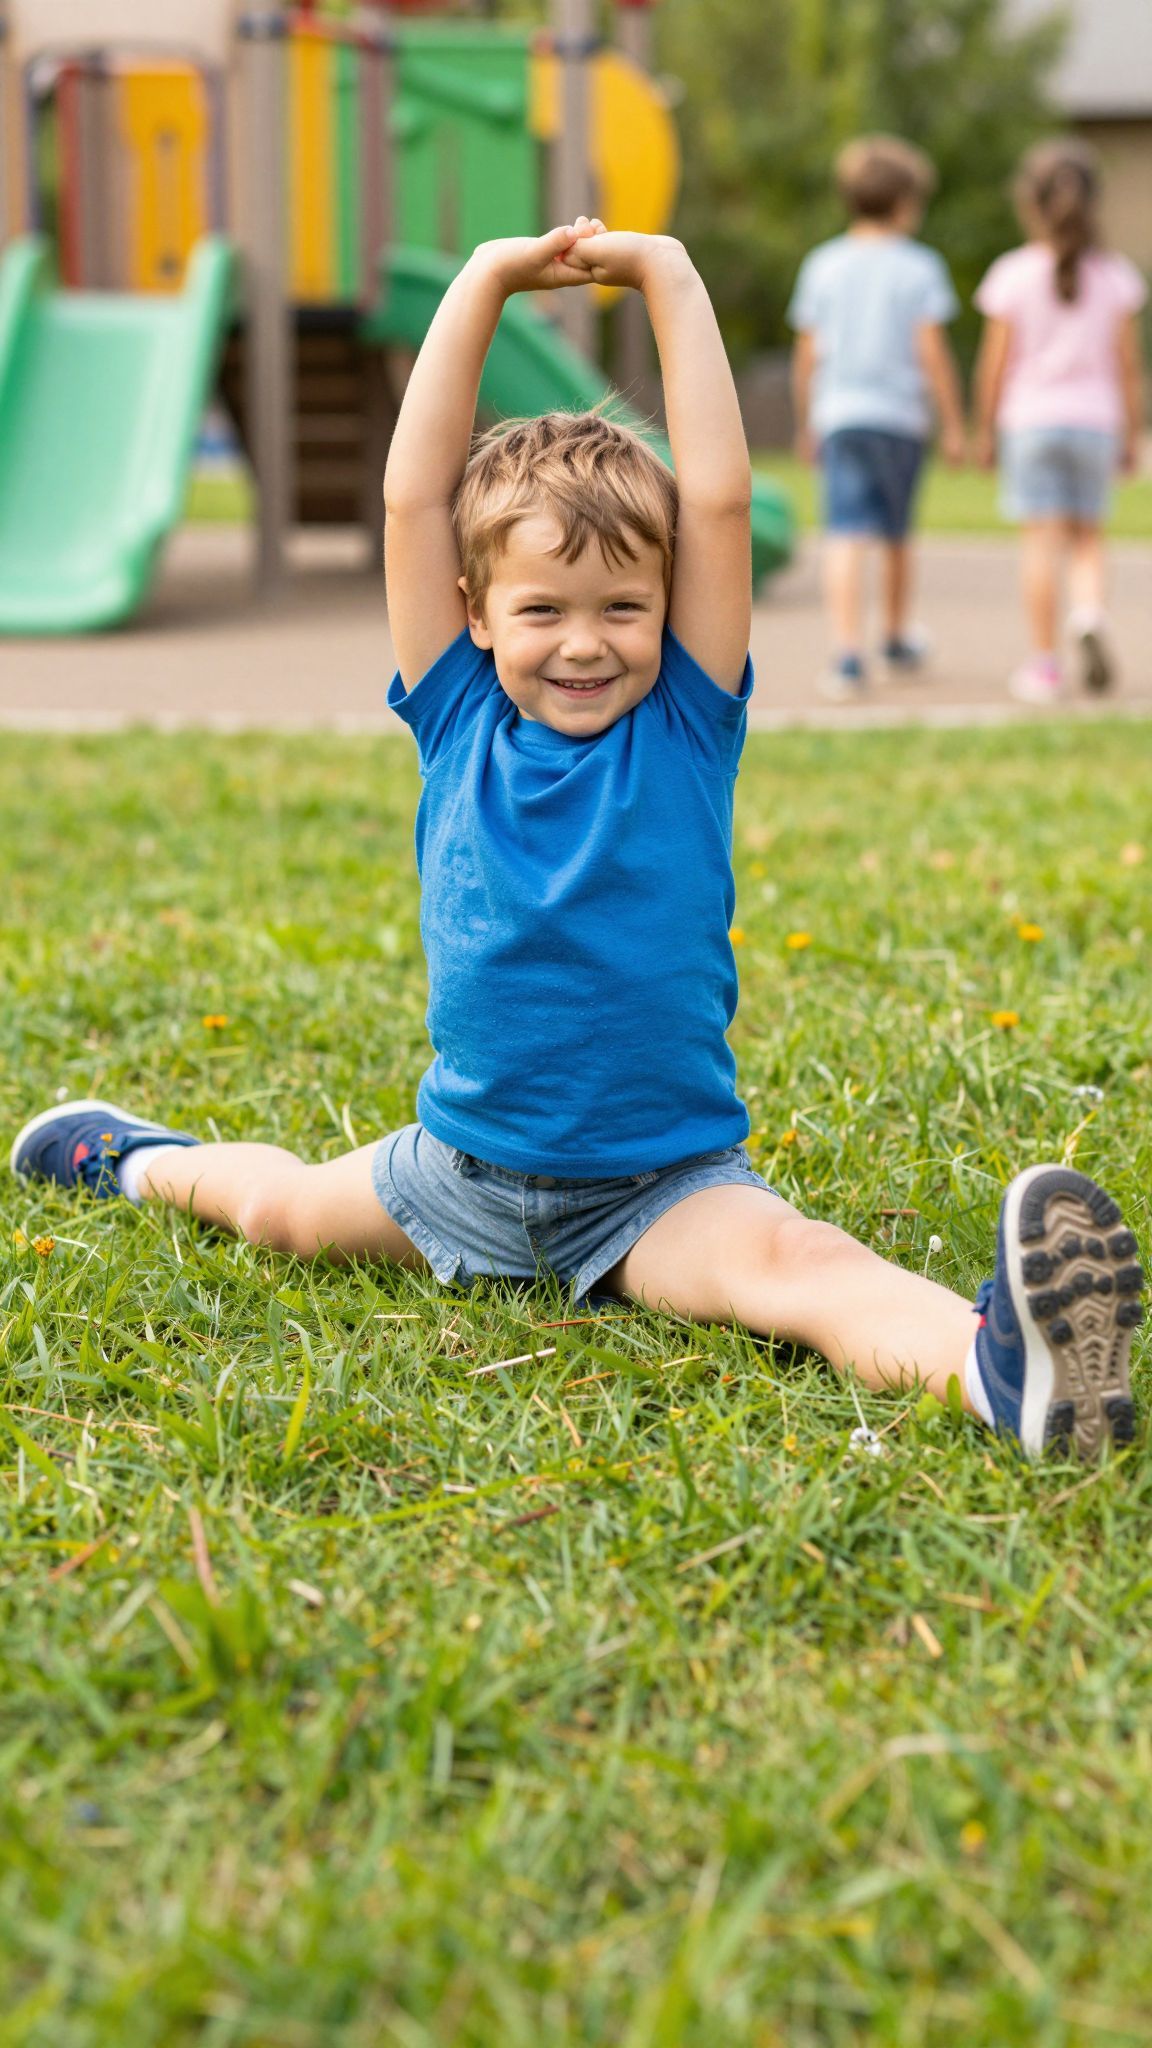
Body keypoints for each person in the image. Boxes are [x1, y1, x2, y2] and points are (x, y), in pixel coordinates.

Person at [9, 222, 1144, 1460]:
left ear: (668, 608)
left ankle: (1006, 1374)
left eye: (624, 607)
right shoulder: (454, 713)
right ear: (474, 617)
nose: (585, 640)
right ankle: (134, 1162)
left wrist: (670, 274)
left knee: (804, 1266)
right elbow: (412, 495)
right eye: (542, 609)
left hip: (659, 1188)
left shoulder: (688, 725)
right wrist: (485, 278)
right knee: (278, 1207)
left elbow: (713, 494)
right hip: (457, 1170)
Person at [788, 135, 966, 701]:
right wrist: (955, 423)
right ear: (906, 203)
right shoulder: (920, 267)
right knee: (895, 534)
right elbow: (932, 351)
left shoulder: (823, 263)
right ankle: (893, 636)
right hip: (900, 419)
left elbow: (807, 354)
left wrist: (806, 419)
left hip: (840, 414)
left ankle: (846, 655)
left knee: (844, 532)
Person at [974, 139, 1147, 703]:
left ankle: (1045, 666)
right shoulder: (1116, 275)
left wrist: (985, 430)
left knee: (1041, 544)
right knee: (1089, 540)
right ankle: (1090, 614)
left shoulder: (1013, 274)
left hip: (1031, 423)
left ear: (1029, 202)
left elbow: (994, 365)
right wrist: (1133, 433)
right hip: (1096, 424)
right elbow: (1128, 367)